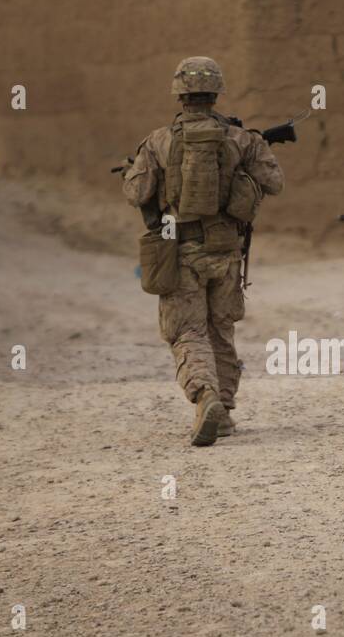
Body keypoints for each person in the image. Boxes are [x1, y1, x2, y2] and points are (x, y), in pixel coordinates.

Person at [122, 57, 284, 445]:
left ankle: (204, 394)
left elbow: (136, 193)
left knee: (187, 331)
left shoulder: (159, 140)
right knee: (220, 329)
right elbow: (274, 182)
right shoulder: (242, 139)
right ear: (216, 93)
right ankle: (224, 410)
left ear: (180, 93)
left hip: (179, 251)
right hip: (226, 251)